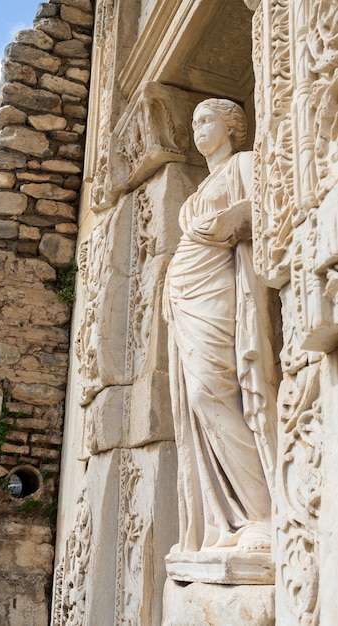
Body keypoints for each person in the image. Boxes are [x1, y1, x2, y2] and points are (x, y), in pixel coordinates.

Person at [163, 98, 277, 553]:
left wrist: (236, 217)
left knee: (215, 390)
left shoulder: (244, 165)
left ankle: (264, 514)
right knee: (196, 401)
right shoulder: (196, 191)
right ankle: (227, 520)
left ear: (232, 128)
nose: (197, 129)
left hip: (219, 291)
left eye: (207, 120)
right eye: (193, 122)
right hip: (188, 298)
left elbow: (266, 208)